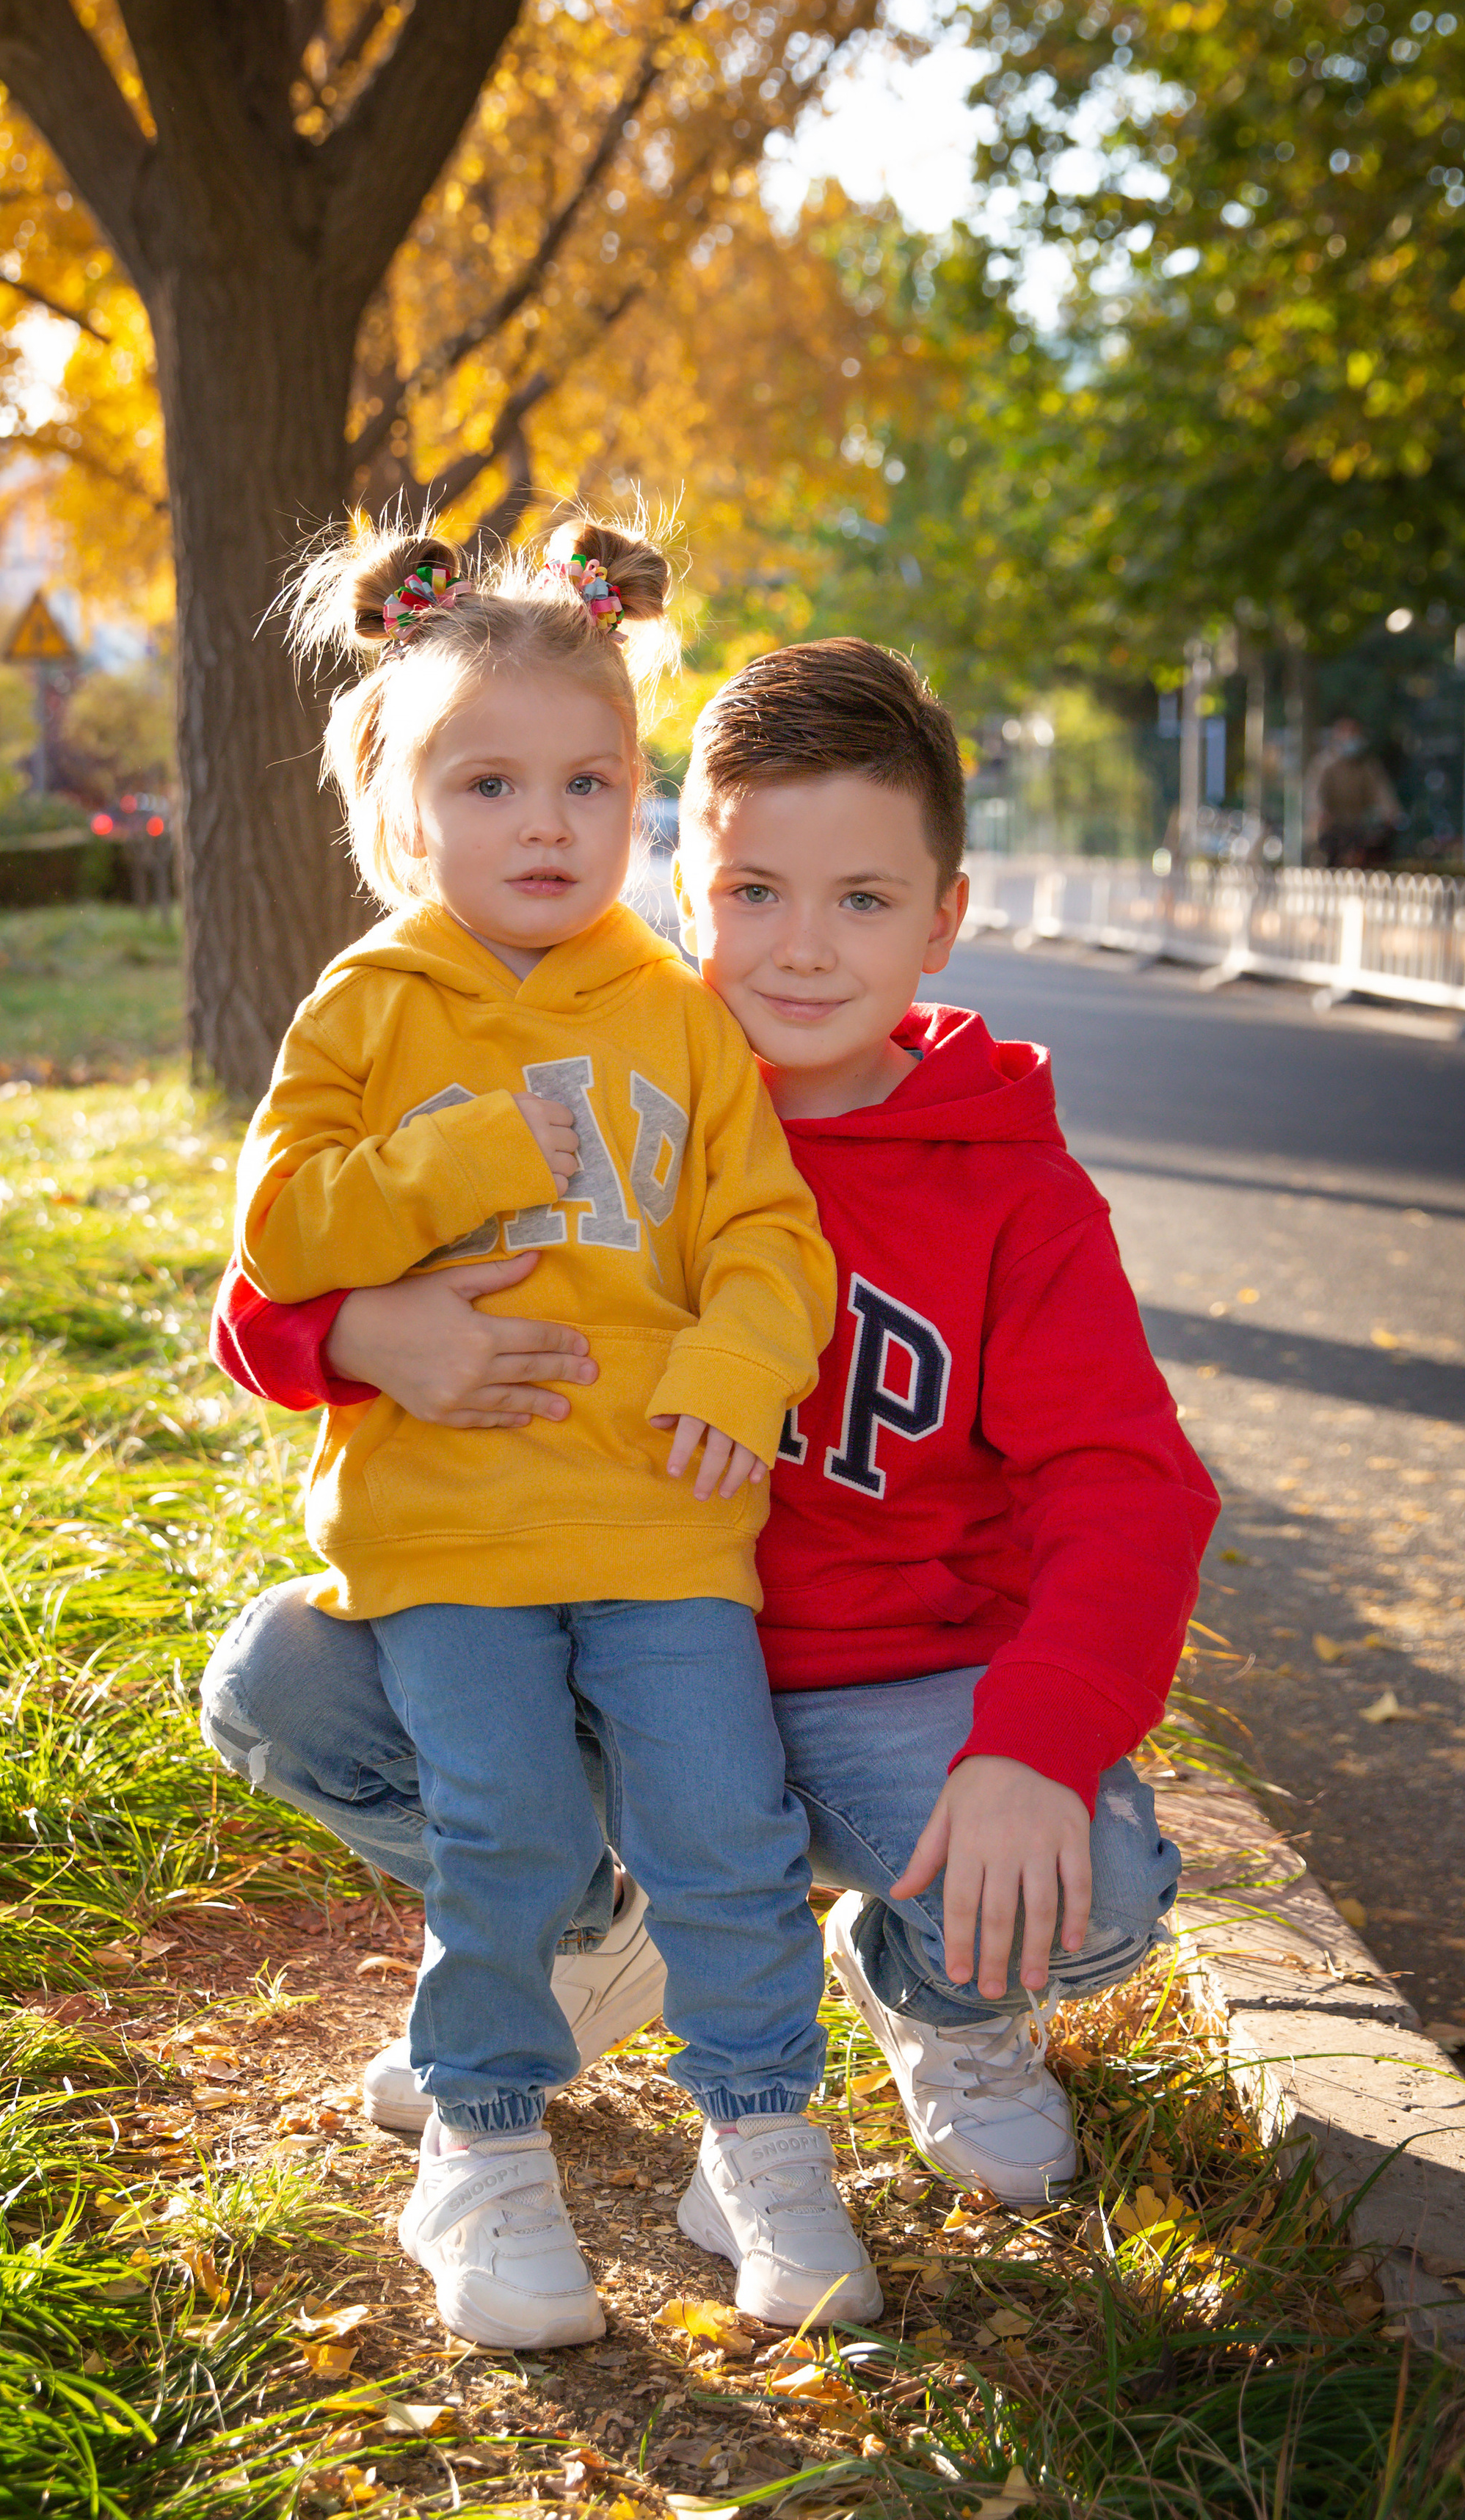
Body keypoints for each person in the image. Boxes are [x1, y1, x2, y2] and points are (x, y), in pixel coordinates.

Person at [205, 638, 1215, 2225]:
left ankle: (929, 1999)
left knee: (1089, 1873)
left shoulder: (1009, 1189)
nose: (801, 949)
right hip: (615, 1652)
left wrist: (1032, 1740)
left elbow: (1127, 1490)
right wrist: (350, 1333)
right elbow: (275, 1284)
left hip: (879, 1686)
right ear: (683, 884)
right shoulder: (606, 1072)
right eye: (753, 892)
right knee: (286, 1683)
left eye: (862, 900)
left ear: (944, 917)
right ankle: (588, 1927)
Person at [227, 520, 881, 2351]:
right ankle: (486, 2137)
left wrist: (736, 1361)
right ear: (402, 804)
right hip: (449, 1533)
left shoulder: (673, 1012)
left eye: (588, 780)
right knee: (504, 1831)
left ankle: (756, 2131)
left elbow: (765, 1229)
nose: (546, 820)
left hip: (663, 1518)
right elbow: (278, 1234)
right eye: (490, 779)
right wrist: (470, 1152)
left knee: (724, 1835)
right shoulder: (368, 1004)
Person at [1306, 715, 1402, 867]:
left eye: (1354, 733)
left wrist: (1391, 813)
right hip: (1333, 829)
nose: (1351, 738)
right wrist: (1320, 814)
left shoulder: (1367, 766)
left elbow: (1382, 793)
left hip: (1359, 828)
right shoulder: (1324, 765)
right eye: (1346, 733)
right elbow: (1314, 796)